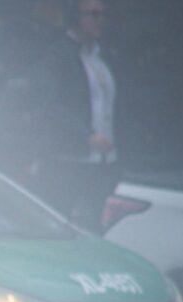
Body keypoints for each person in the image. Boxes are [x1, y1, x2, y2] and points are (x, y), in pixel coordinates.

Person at [28, 0, 122, 228]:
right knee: (58, 223)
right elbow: (49, 104)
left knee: (94, 225)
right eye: (93, 15)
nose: (100, 21)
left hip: (104, 161)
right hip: (67, 160)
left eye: (103, 15)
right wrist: (86, 136)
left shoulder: (104, 57)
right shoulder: (57, 55)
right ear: (75, 17)